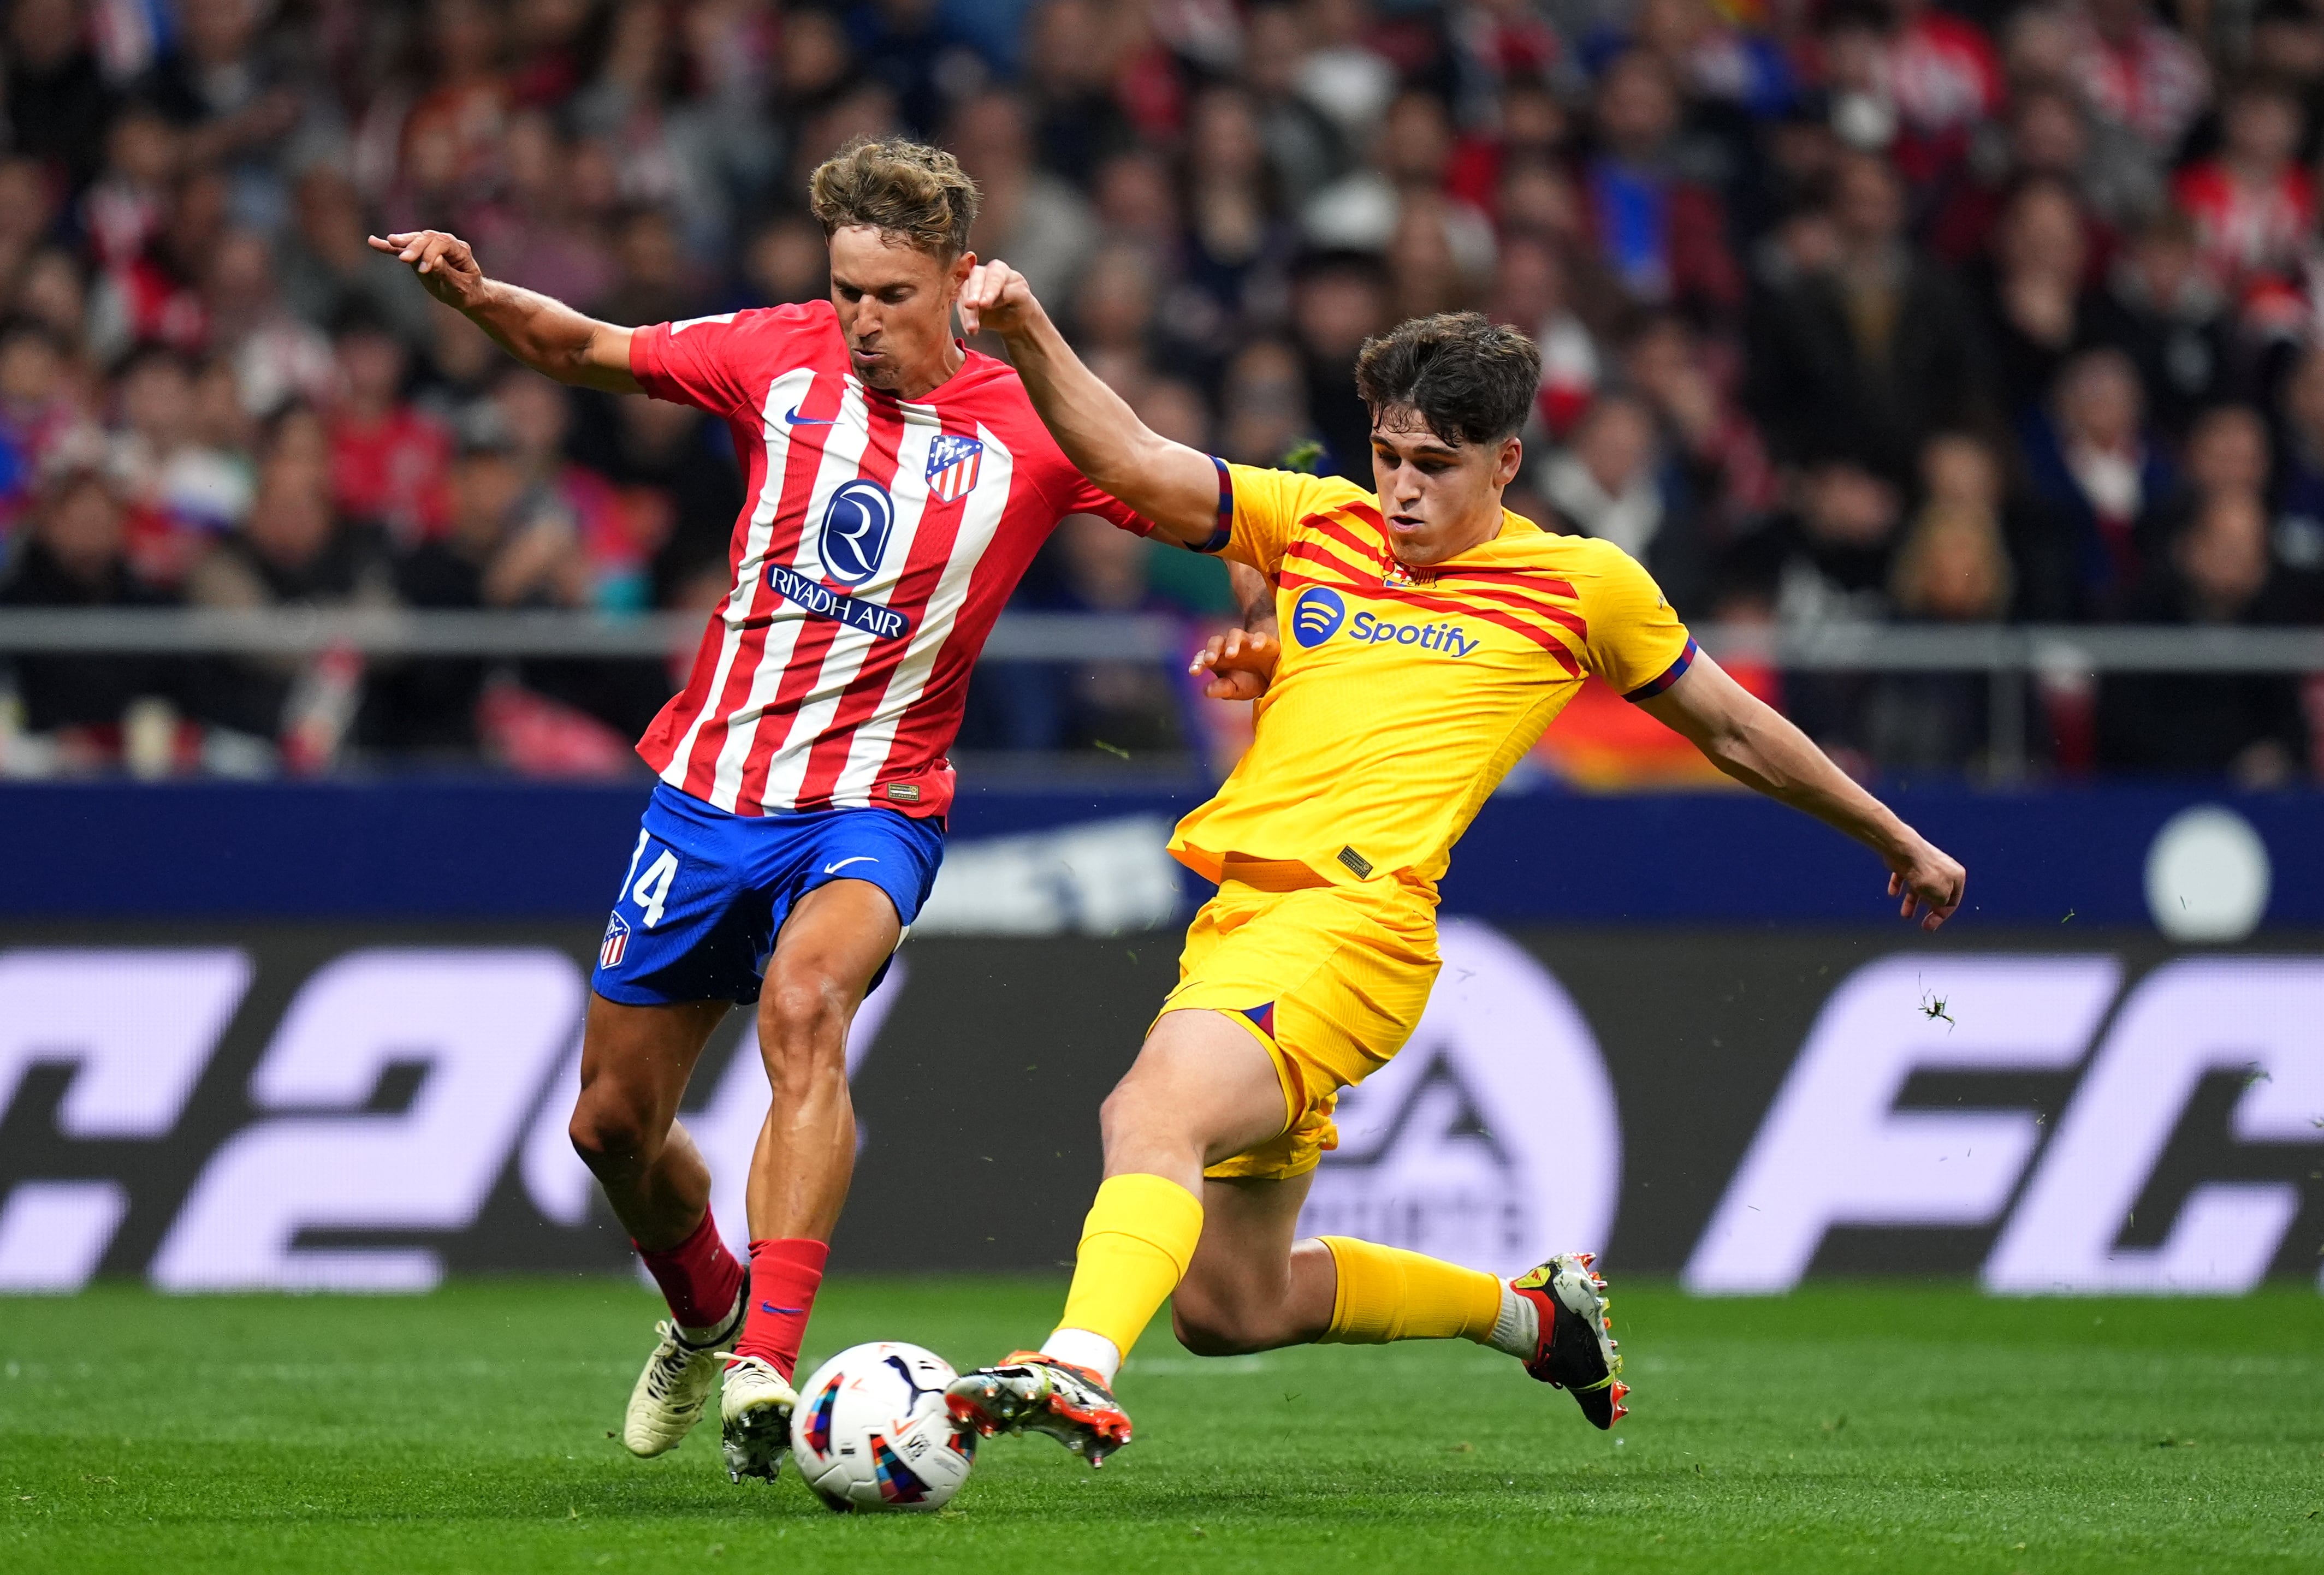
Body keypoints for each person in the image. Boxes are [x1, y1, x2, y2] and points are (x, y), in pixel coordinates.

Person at [936, 268, 1969, 1465]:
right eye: (1387, 454)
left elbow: (1734, 729)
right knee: (1232, 1309)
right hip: (1241, 921)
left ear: (1505, 465)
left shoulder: (1583, 585)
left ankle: (1073, 1364)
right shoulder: (1317, 517)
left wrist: (1894, 836)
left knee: (1148, 1110)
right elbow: (1130, 457)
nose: (1401, 488)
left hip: (1354, 923)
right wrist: (1026, 331)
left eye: (1433, 462)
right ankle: (1532, 1315)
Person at [370, 136, 1250, 1486]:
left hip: (874, 802)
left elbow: (1193, 497)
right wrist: (477, 295)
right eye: (845, 288)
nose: (860, 319)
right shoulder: (774, 352)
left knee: (806, 1010)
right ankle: (706, 1306)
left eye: (890, 295)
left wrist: (1261, 615)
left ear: (958, 281)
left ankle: (765, 1365)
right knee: (609, 1127)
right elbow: (586, 348)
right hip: (706, 793)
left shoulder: (1027, 425)